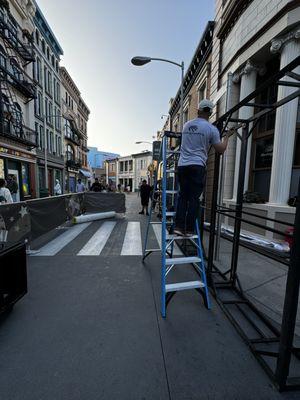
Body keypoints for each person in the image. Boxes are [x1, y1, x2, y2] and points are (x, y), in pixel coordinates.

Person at [174, 99, 229, 236]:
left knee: (182, 197)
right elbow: (220, 149)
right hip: (197, 165)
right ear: (210, 113)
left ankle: (179, 227)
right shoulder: (211, 129)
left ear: (198, 111)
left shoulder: (186, 125)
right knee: (193, 199)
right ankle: (189, 229)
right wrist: (227, 137)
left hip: (182, 165)